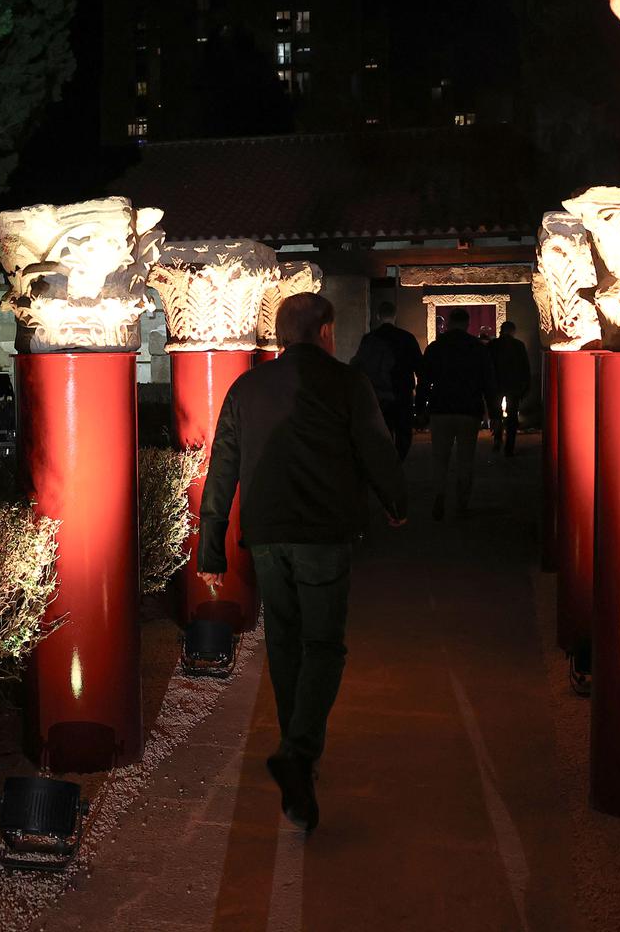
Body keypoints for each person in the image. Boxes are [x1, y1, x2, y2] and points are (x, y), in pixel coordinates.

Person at [199, 292, 407, 833]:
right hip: (323, 532)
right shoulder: (347, 383)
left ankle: (298, 754)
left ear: (280, 334)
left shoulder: (246, 388)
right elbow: (376, 448)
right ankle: (299, 750)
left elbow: (222, 467)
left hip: (267, 535)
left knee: (285, 641)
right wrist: (396, 502)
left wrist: (211, 546)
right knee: (324, 646)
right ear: (326, 331)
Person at [416, 308, 495, 520]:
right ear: (467, 324)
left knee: (440, 457)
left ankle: (439, 494)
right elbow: (488, 382)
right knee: (465, 458)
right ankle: (462, 502)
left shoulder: (436, 347)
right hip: (469, 409)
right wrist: (494, 412)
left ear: (449, 323)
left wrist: (420, 408)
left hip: (441, 408)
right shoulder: (477, 349)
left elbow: (424, 381)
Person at [350, 301, 424, 460]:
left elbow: (359, 366)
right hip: (402, 394)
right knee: (403, 434)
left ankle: (387, 464)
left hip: (378, 395)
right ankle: (398, 462)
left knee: (382, 434)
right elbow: (420, 370)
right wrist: (420, 403)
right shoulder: (407, 338)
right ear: (395, 315)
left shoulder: (369, 339)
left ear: (378, 316)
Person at [487, 321, 531, 457]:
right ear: (513, 331)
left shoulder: (492, 345)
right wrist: (525, 387)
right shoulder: (518, 345)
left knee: (496, 414)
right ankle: (509, 447)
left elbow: (488, 366)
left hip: (496, 385)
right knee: (512, 417)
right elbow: (525, 367)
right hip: (514, 386)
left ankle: (497, 438)